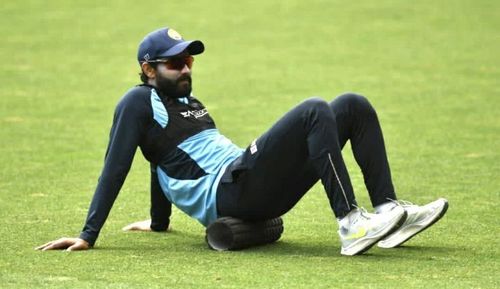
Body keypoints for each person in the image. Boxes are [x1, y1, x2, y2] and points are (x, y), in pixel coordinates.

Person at [36, 27, 448, 256]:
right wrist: (88, 234)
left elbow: (159, 160)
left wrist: (159, 223)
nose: (185, 68)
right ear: (147, 69)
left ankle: (389, 212)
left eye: (189, 61)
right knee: (313, 109)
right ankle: (350, 223)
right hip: (231, 193)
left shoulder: (186, 102)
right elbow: (120, 163)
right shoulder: (137, 101)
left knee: (351, 106)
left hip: (250, 183)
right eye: (176, 62)